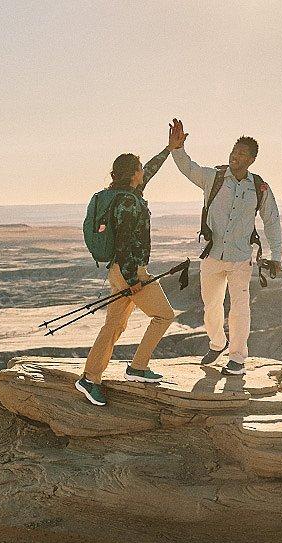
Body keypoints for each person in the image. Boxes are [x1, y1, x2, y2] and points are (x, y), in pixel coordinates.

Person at [167, 119, 282, 375]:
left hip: (241, 258)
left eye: (242, 154)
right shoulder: (214, 178)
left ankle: (238, 359)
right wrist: (177, 149)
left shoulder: (259, 187)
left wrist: (276, 255)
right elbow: (189, 168)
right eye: (234, 151)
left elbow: (272, 220)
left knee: (240, 308)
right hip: (212, 256)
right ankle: (217, 343)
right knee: (211, 305)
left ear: (252, 160)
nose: (235, 156)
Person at [74, 129, 177, 406]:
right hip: (131, 271)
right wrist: (134, 278)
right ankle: (138, 367)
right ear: (133, 174)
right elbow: (127, 242)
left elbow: (151, 171)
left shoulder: (119, 196)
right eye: (140, 169)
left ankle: (90, 377)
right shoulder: (129, 203)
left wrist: (169, 149)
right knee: (165, 315)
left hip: (116, 270)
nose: (144, 172)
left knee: (114, 325)